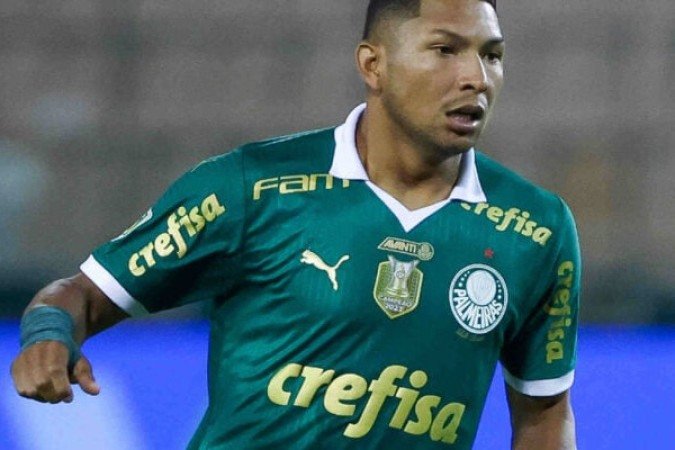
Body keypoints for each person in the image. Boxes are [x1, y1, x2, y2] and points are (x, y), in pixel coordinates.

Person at [11, 0, 580, 448]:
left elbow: (544, 411)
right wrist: (48, 336)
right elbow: (81, 295)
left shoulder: (536, 229)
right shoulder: (251, 188)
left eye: (492, 55)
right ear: (373, 65)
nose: (476, 77)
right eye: (445, 50)